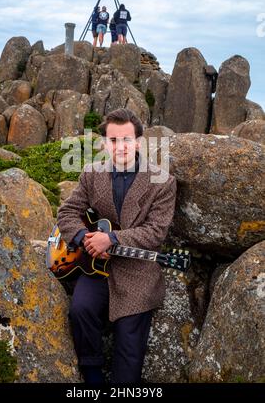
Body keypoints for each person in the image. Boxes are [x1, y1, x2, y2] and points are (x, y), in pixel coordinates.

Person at [57, 108, 177, 384]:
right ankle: (93, 376)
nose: (120, 146)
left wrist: (111, 239)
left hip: (137, 271)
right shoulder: (91, 174)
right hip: (95, 266)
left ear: (138, 142)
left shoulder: (163, 182)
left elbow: (156, 232)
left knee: (128, 343)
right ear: (104, 143)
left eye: (126, 139)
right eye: (113, 140)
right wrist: (83, 240)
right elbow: (67, 212)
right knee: (80, 310)